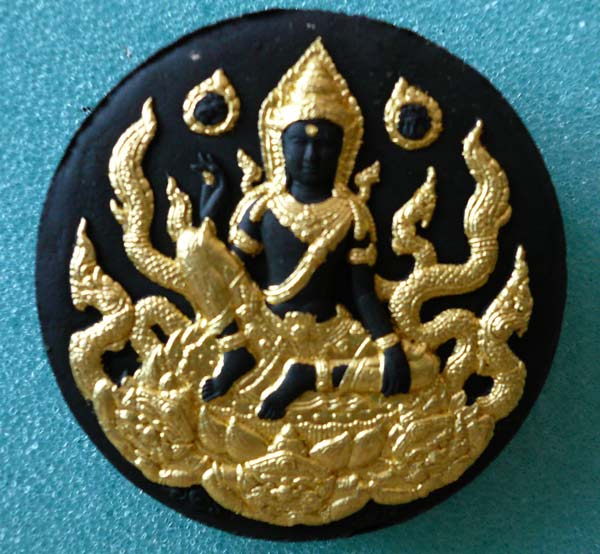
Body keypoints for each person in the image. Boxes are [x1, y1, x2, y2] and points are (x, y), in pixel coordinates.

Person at [195, 39, 411, 419]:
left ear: (342, 150)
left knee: (420, 368)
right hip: (266, 328)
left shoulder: (352, 213)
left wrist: (390, 344)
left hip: (331, 333)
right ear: (280, 146)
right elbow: (231, 274)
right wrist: (208, 219)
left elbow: (361, 292)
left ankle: (308, 376)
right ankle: (235, 351)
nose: (312, 155)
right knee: (190, 247)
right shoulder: (262, 206)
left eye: (325, 145)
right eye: (300, 143)